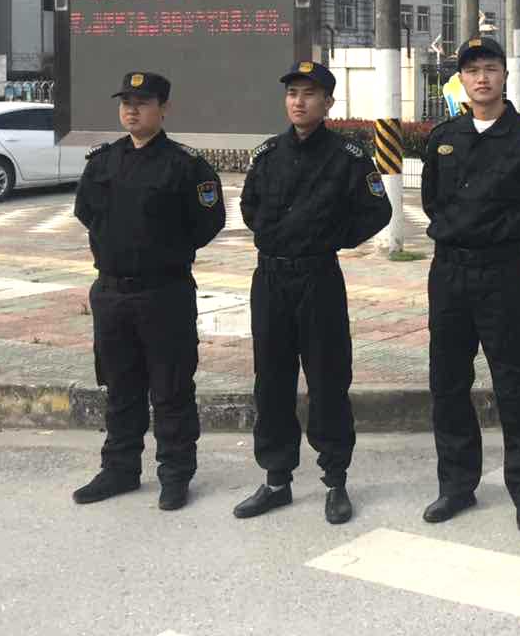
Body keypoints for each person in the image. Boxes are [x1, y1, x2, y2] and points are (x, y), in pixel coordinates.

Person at [419, 36, 520, 534]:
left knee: (517, 382)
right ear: (460, 79)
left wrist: (508, 233)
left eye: (490, 68)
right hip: (449, 273)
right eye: (471, 70)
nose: (481, 78)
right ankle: (456, 485)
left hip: (503, 272)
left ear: (505, 75)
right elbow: (432, 200)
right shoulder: (444, 136)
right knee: (448, 382)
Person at [232, 60, 392, 524]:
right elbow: (249, 206)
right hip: (270, 280)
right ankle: (276, 479)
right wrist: (274, 235)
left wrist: (333, 237)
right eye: (292, 93)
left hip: (318, 279)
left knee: (327, 378)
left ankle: (335, 480)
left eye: (308, 94)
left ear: (328, 103)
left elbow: (377, 211)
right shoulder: (268, 154)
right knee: (271, 379)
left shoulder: (349, 156)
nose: (298, 102)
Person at [72, 70, 225, 511]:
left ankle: (175, 474)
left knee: (171, 388)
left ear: (164, 108)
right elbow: (87, 212)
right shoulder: (102, 162)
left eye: (142, 102)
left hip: (164, 294)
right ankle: (119, 469)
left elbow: (208, 222)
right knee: (120, 387)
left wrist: (162, 250)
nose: (132, 110)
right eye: (126, 102)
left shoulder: (186, 165)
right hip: (112, 294)